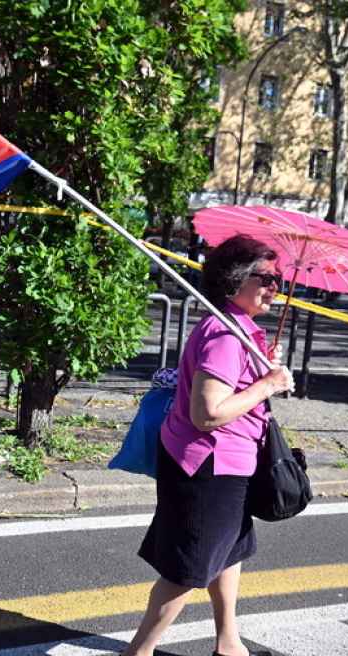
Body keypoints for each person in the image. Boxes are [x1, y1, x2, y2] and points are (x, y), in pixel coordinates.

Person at [122, 234, 294, 656]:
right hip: (208, 465)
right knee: (188, 568)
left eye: (280, 278)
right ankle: (137, 654)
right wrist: (269, 384)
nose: (277, 287)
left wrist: (260, 371)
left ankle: (228, 643)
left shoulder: (238, 329)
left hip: (227, 462)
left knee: (229, 550)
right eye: (268, 278)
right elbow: (208, 413)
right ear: (236, 280)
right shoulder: (226, 335)